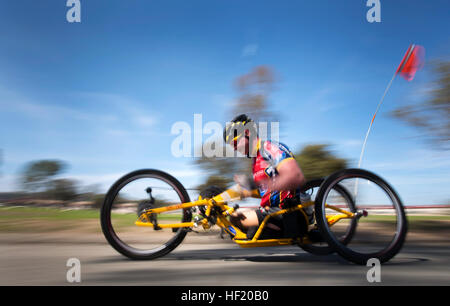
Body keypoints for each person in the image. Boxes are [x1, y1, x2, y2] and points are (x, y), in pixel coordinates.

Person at [222, 114, 313, 238]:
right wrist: (245, 192)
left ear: (247, 132)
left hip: (286, 211)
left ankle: (284, 230)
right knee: (234, 217)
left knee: (236, 220)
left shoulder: (268, 147)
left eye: (234, 142)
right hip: (272, 211)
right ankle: (272, 229)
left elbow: (296, 177)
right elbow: (267, 192)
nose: (234, 148)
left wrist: (255, 184)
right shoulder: (255, 161)